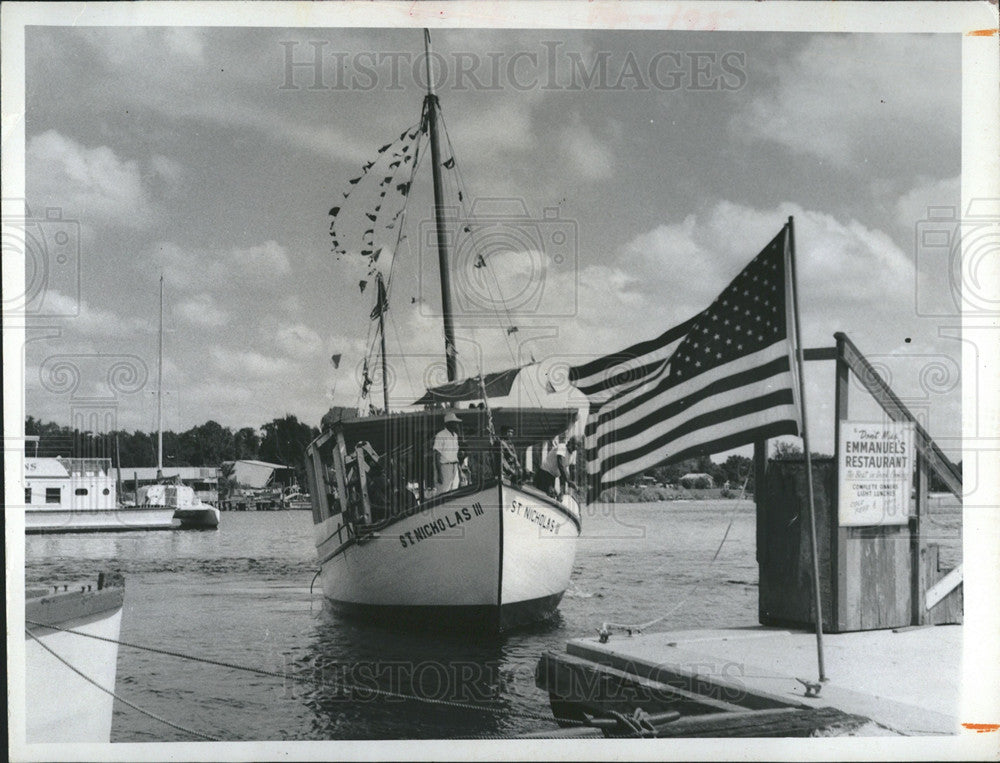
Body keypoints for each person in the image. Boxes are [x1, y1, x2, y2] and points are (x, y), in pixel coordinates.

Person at [433, 412, 463, 493]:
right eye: (455, 423)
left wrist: (459, 470)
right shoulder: (440, 435)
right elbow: (437, 455)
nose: (457, 425)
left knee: (454, 491)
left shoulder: (455, 436)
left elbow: (455, 455)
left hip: (455, 467)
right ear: (449, 424)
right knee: (443, 491)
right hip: (445, 467)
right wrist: (439, 473)